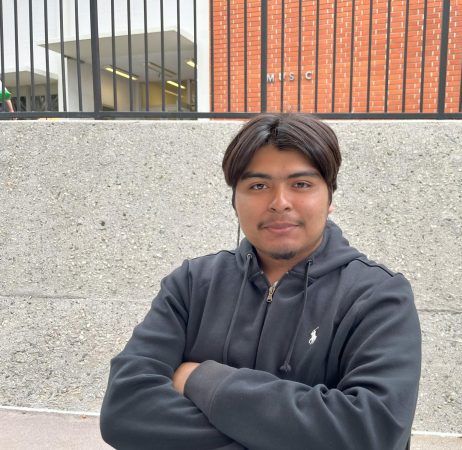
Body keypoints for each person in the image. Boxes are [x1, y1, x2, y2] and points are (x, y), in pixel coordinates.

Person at [100, 113, 421, 450]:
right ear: (234, 202)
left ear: (329, 198)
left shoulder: (378, 296)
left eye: (301, 184)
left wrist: (203, 380)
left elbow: (371, 433)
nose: (279, 202)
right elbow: (124, 410)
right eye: (258, 185)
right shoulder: (192, 286)